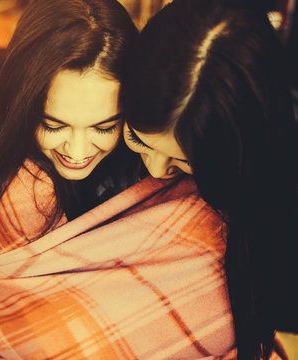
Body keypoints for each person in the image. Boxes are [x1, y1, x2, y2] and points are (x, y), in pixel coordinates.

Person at [0, 0, 242, 358]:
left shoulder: (159, 152)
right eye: (54, 124)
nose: (78, 151)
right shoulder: (23, 195)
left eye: (105, 126)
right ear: (21, 104)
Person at [119, 0, 298, 359]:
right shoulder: (93, 129)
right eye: (137, 139)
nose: (156, 171)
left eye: (185, 162)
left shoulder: (279, 225)